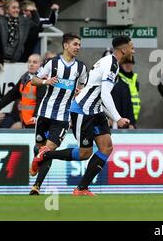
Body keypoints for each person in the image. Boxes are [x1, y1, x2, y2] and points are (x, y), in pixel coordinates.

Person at [30, 36, 133, 196]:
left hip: (95, 110)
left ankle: (81, 188)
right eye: (132, 47)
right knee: (85, 153)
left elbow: (93, 89)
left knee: (106, 147)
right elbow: (105, 94)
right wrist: (117, 117)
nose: (133, 50)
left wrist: (110, 115)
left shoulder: (107, 61)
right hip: (83, 111)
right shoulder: (111, 64)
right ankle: (45, 154)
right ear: (124, 49)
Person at [28, 33, 87, 195]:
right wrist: (46, 81)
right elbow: (34, 80)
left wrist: (79, 91)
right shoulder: (52, 63)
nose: (78, 47)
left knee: (47, 150)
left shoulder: (81, 68)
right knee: (40, 149)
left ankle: (36, 186)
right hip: (44, 113)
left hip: (62, 117)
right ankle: (36, 162)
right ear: (66, 46)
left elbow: (83, 87)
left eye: (79, 45)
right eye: (75, 44)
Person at [0, 54, 44, 128]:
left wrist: (35, 116)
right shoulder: (25, 77)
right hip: (26, 120)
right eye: (29, 62)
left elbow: (41, 101)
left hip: (38, 121)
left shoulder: (42, 79)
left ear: (41, 65)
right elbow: (12, 94)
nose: (31, 64)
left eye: (35, 62)